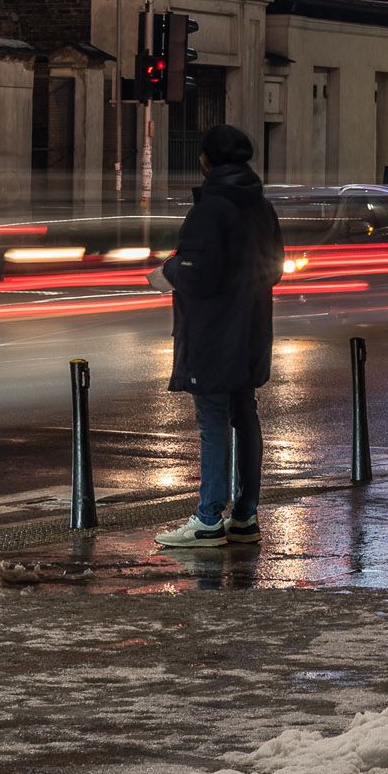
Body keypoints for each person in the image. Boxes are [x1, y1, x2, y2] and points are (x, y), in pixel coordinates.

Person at [153, 124, 283, 549]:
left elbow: (198, 272)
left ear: (206, 162)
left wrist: (169, 271)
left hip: (213, 332)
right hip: (250, 329)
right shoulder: (261, 206)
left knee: (212, 418)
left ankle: (208, 517)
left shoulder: (210, 208)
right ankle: (245, 515)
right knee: (244, 414)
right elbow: (275, 269)